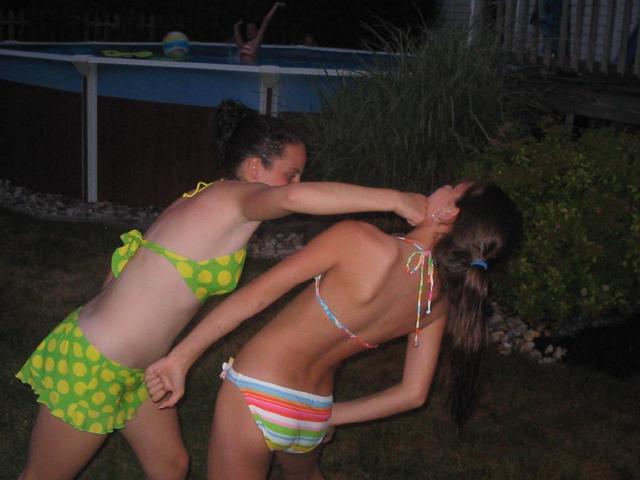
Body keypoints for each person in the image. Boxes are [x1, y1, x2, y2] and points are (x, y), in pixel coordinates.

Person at [14, 99, 429, 480]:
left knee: (171, 466)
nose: (296, 182)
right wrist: (394, 200)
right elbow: (297, 198)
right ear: (254, 168)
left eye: (299, 175)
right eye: (290, 173)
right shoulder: (237, 199)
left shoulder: (208, 198)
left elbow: (126, 265)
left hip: (141, 367)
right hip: (95, 362)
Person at [145, 182, 522, 479]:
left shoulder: (360, 241)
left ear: (449, 212)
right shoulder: (437, 302)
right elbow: (412, 394)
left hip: (257, 392)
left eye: (452, 186)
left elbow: (254, 298)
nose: (440, 186)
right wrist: (329, 417)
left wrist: (180, 359)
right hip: (314, 410)